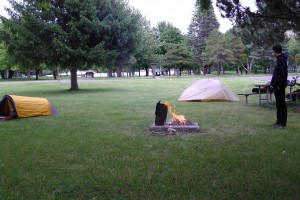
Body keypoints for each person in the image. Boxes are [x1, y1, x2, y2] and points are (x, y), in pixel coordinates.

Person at [270, 44, 288, 128]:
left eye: (272, 51)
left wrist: (279, 85)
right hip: (276, 85)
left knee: (282, 104)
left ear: (275, 51)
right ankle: (278, 122)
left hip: (279, 86)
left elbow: (282, 74)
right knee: (278, 104)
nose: (272, 52)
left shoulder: (281, 60)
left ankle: (282, 123)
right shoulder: (279, 60)